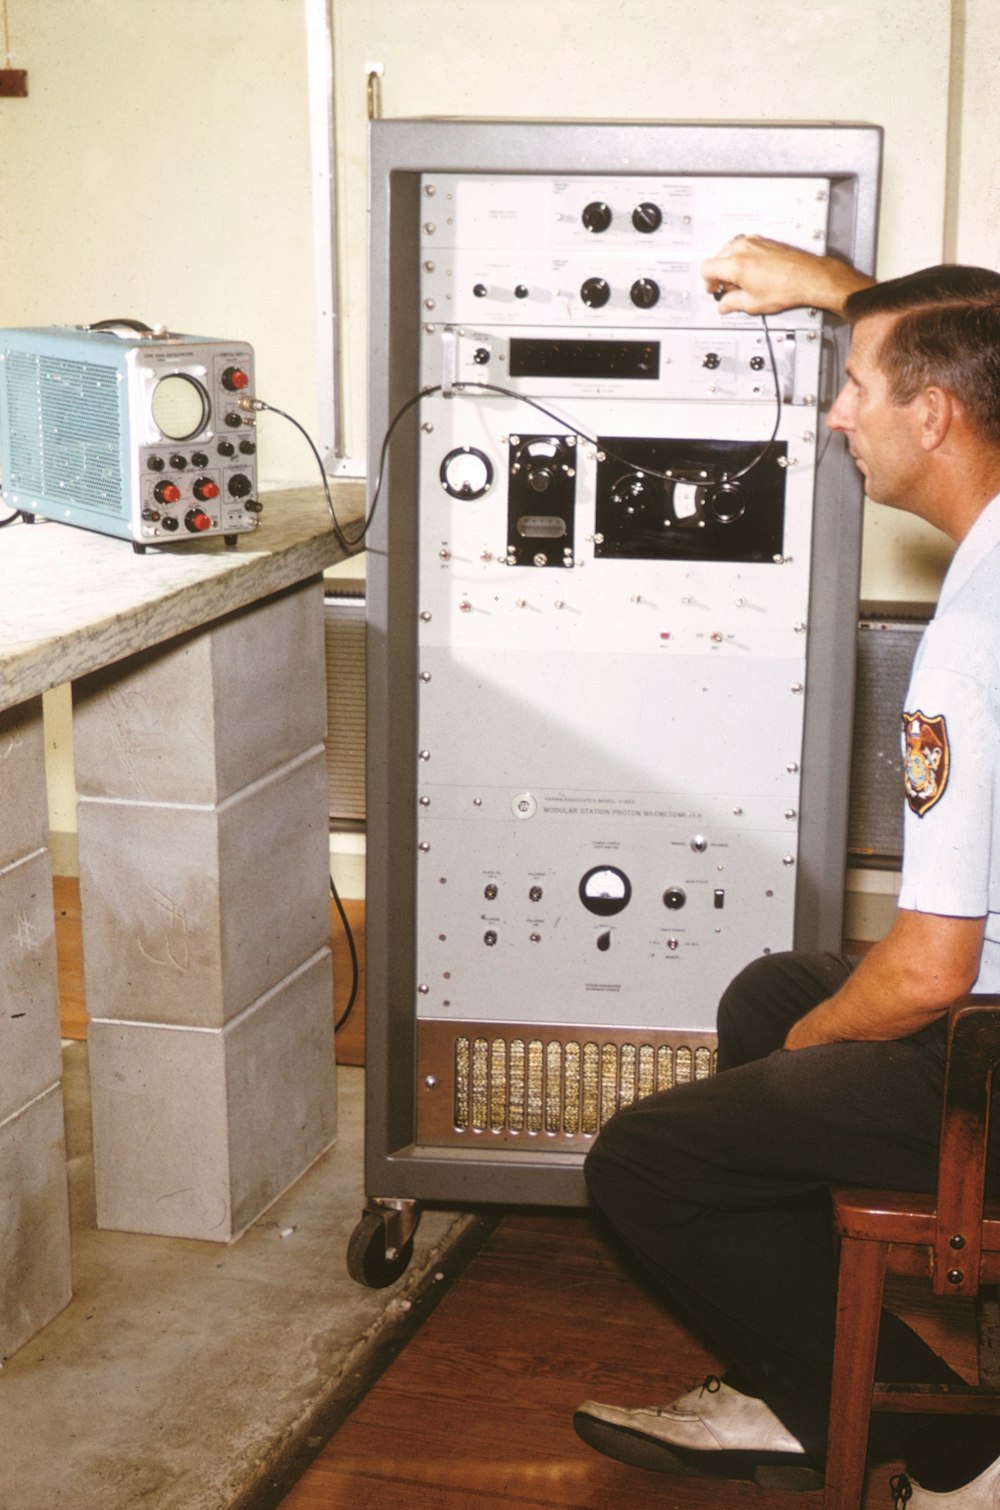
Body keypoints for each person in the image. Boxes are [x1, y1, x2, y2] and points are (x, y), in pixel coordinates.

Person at [573, 235, 1000, 1508]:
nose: (834, 414)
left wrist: (821, 1045)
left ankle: (955, 1457)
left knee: (645, 1161)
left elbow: (930, 972)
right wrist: (835, 294)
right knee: (768, 990)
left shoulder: (973, 638)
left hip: (987, 1042)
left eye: (856, 387)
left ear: (930, 414)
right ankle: (801, 1369)